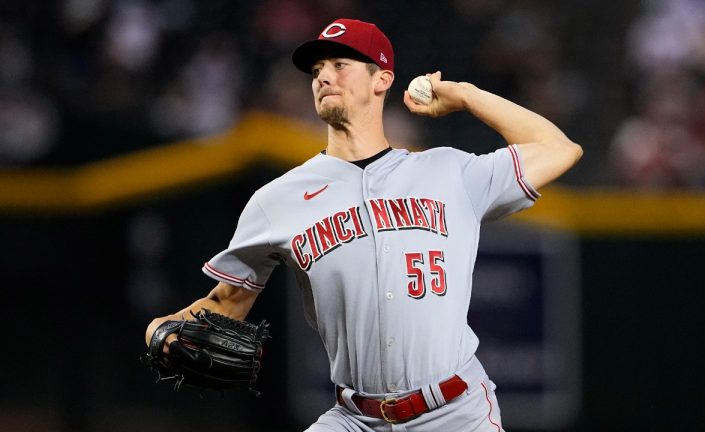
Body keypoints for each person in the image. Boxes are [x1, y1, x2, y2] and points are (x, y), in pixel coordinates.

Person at [145, 18, 582, 431]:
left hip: (456, 412)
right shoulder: (277, 200)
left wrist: (466, 95)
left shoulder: (451, 173)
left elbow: (559, 148)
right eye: (317, 69)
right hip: (355, 417)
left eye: (340, 64)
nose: (323, 77)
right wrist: (155, 329)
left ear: (382, 79)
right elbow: (226, 303)